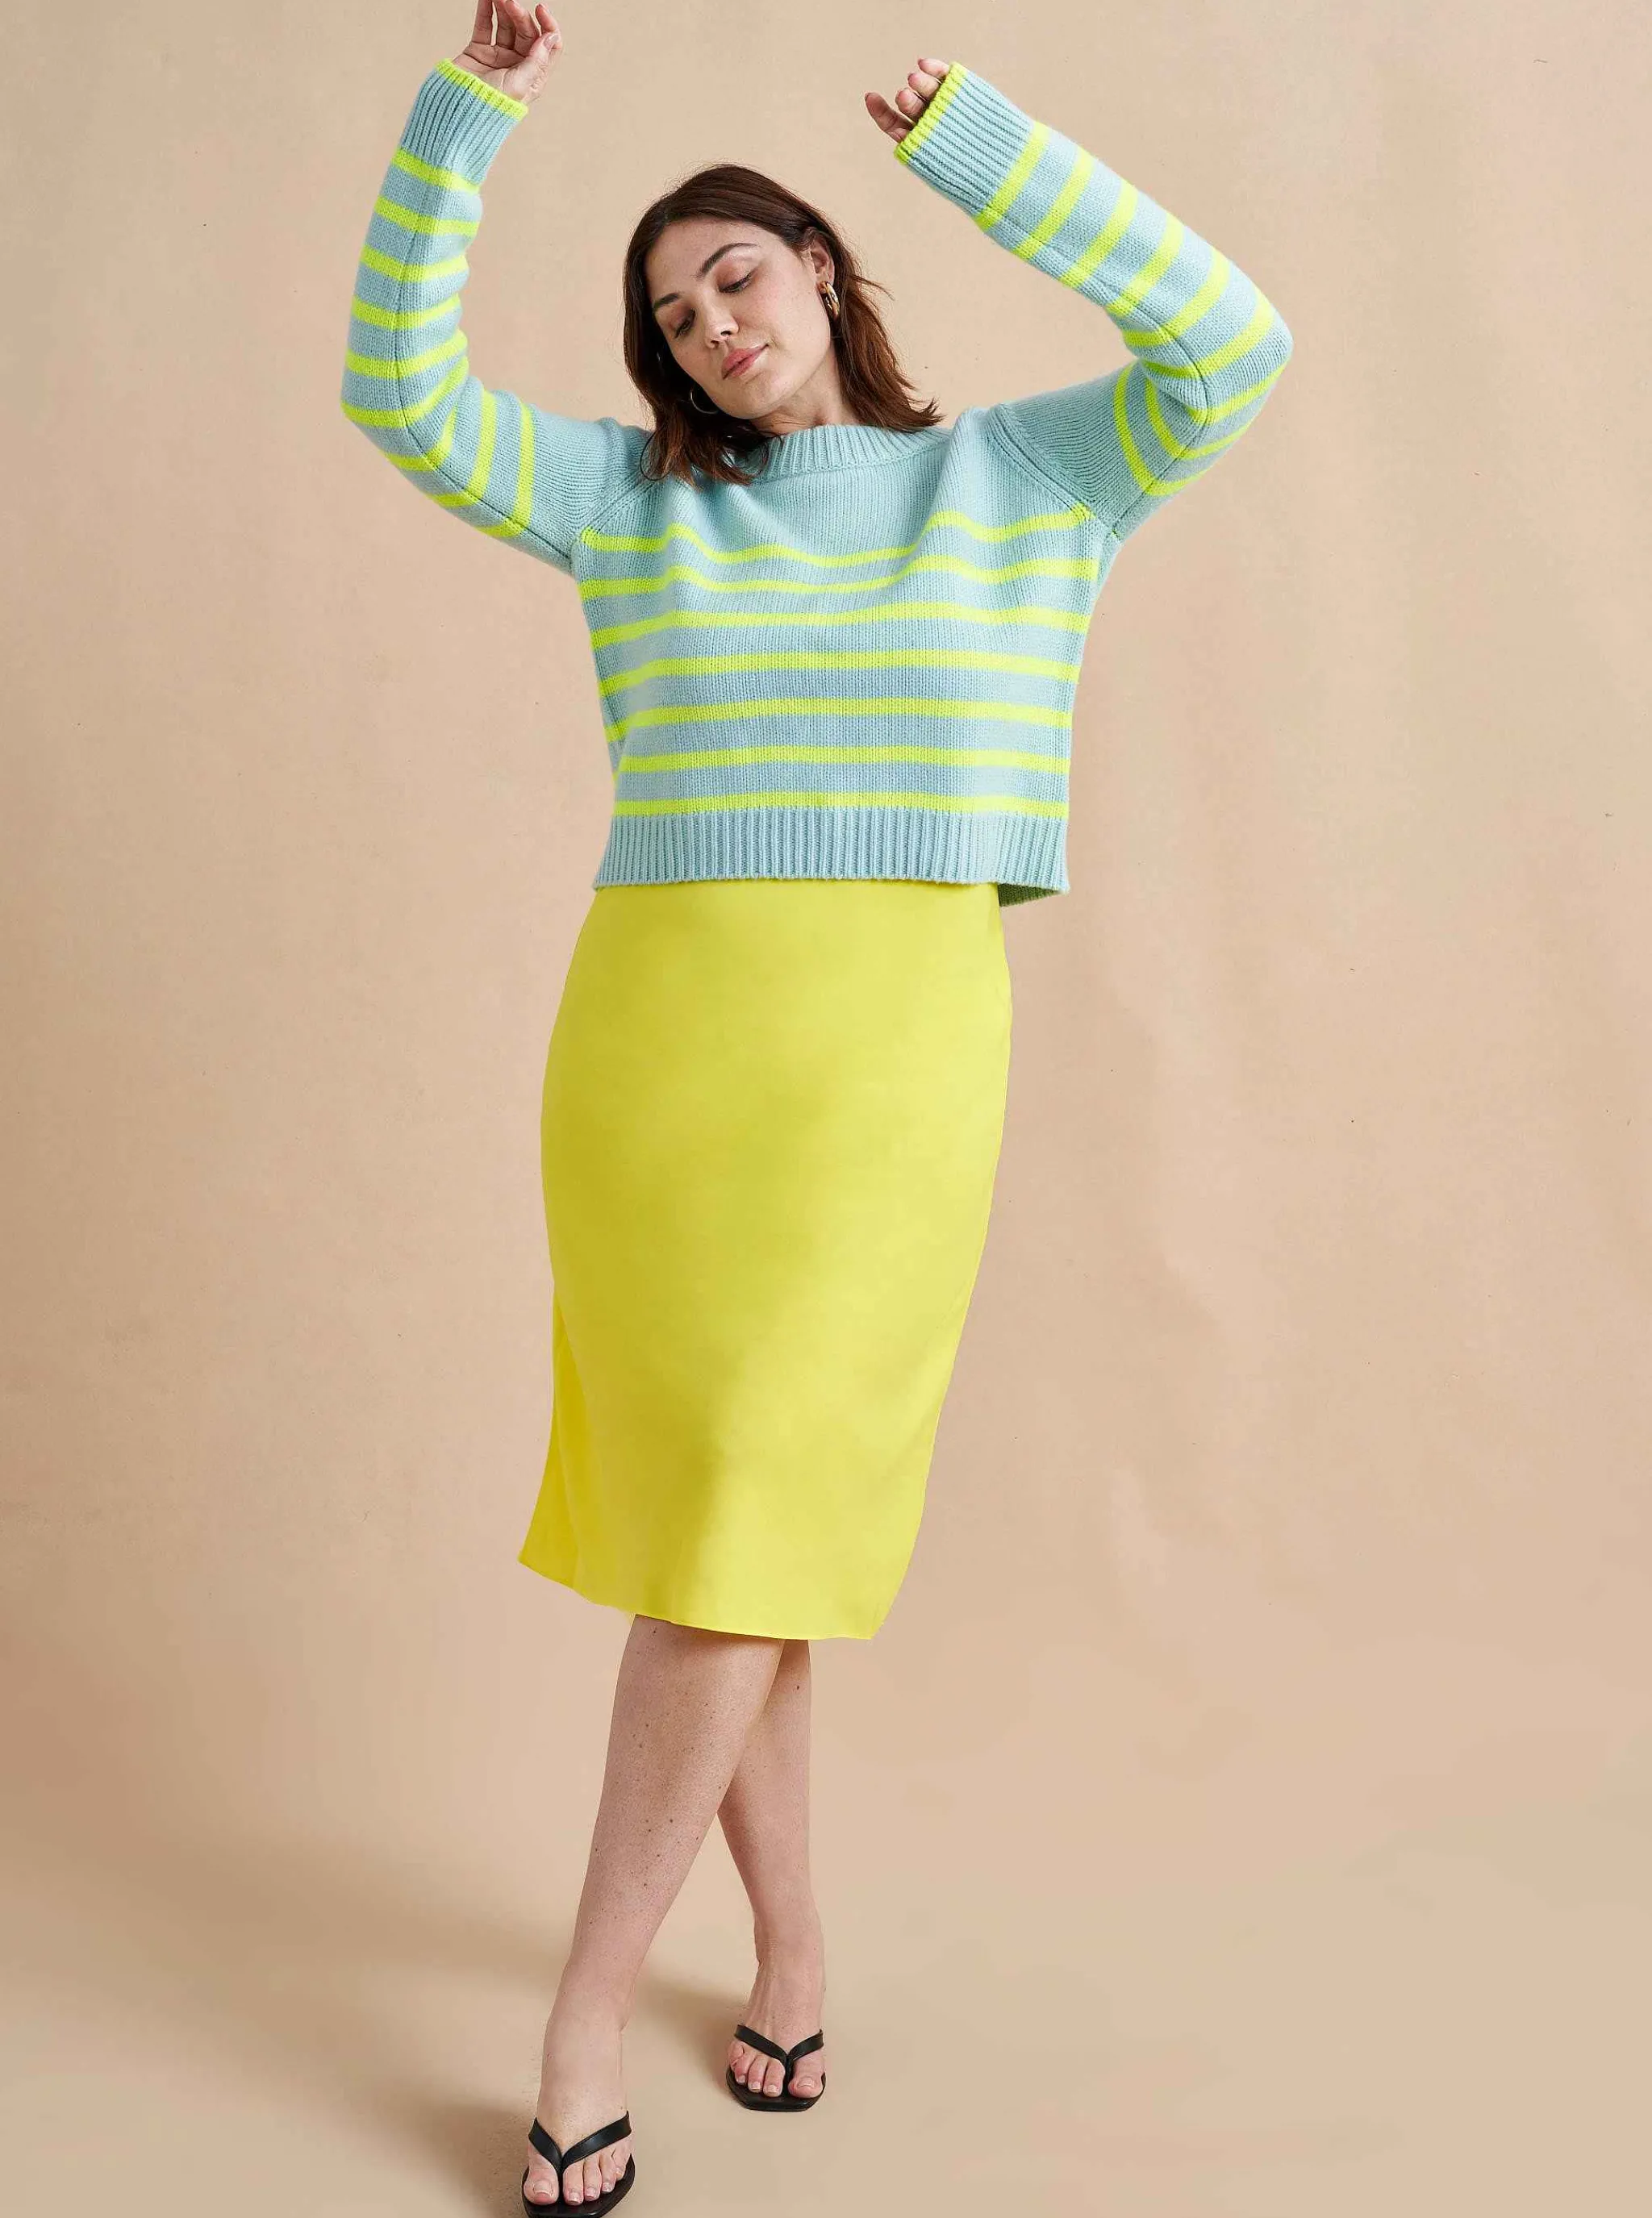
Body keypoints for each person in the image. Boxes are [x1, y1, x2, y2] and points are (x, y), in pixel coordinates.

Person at [340, 5, 1294, 2204]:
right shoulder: (631, 500)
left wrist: (985, 152)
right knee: (727, 1526)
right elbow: (399, 391)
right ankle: (787, 1953)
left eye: (739, 275)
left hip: (892, 1041)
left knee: (751, 1515)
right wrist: (466, 116)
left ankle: (583, 2009)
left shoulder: (1023, 480)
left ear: (824, 270)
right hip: (660, 1041)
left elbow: (1231, 343)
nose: (713, 325)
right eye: (676, 316)